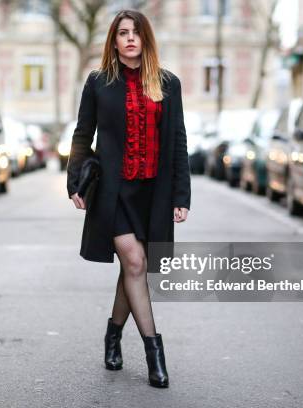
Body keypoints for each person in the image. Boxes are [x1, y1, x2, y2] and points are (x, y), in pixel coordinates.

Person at [66, 9, 191, 388]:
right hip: (113, 193)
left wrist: (181, 193)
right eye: (123, 33)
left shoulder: (168, 83)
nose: (130, 38)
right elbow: (81, 134)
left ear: (145, 38)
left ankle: (113, 335)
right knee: (134, 262)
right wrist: (75, 182)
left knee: (134, 270)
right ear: (114, 40)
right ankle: (155, 354)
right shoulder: (99, 82)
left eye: (136, 32)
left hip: (153, 193)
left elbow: (179, 141)